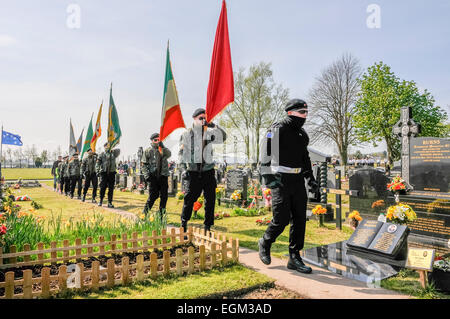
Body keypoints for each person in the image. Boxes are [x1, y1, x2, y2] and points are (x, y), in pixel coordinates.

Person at [258, 98, 319, 274]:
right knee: (282, 219)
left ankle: (294, 257)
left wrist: (310, 177)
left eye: (306, 113)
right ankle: (265, 241)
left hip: (298, 180)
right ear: (290, 113)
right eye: (302, 112)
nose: (305, 116)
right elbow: (266, 150)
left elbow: (305, 157)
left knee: (300, 219)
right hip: (280, 180)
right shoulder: (277, 129)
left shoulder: (302, 134)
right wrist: (267, 176)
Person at [179, 108, 227, 234]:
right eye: (201, 118)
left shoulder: (209, 133)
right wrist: (184, 169)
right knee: (189, 199)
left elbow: (223, 137)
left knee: (210, 200)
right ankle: (184, 223)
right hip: (193, 172)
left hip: (208, 172)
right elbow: (181, 154)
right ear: (194, 119)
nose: (203, 120)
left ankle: (207, 226)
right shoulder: (186, 135)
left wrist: (214, 125)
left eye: (205, 118)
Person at [141, 133, 172, 216]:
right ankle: (144, 213)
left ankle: (161, 215)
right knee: (153, 196)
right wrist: (147, 176)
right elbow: (144, 165)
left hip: (163, 176)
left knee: (164, 196)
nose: (157, 141)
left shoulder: (163, 149)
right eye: (155, 140)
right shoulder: (148, 151)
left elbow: (169, 154)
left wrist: (163, 146)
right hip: (153, 177)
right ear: (152, 141)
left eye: (159, 140)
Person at [96, 142, 120, 208]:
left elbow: (119, 151)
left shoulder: (113, 153)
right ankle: (100, 200)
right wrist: (97, 171)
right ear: (104, 147)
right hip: (104, 173)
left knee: (111, 188)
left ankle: (110, 202)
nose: (108, 147)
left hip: (112, 173)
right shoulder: (102, 154)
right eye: (107, 146)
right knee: (102, 187)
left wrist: (113, 148)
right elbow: (98, 163)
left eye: (109, 146)